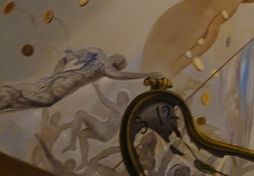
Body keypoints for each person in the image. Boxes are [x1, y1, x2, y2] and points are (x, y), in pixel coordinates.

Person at [0, 48, 153, 112]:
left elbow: (65, 58)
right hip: (70, 83)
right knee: (47, 100)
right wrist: (147, 74)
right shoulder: (106, 66)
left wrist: (55, 75)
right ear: (118, 63)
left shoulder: (96, 52)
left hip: (63, 77)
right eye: (119, 66)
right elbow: (118, 76)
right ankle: (13, 96)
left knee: (36, 92)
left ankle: (9, 97)